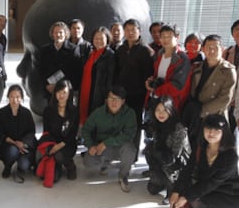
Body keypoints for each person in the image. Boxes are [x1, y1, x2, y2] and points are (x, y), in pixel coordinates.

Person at [169, 114, 239, 208]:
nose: (211, 133)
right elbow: (187, 170)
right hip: (207, 188)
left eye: (217, 130)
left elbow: (212, 183)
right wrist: (176, 191)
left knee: (195, 195)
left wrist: (186, 197)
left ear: (224, 133)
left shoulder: (230, 156)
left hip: (228, 194)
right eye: (208, 129)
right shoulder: (200, 148)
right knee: (186, 191)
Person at [82, 86, 137, 193]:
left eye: (117, 99)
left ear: (123, 101)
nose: (114, 102)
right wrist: (90, 145)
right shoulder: (98, 112)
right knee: (88, 161)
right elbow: (86, 130)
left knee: (130, 149)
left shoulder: (129, 114)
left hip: (119, 147)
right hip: (100, 148)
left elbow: (129, 135)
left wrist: (106, 143)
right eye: (111, 98)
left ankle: (123, 176)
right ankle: (105, 163)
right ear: (106, 100)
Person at [183, 35, 236, 145]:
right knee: (193, 149)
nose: (211, 50)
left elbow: (224, 99)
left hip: (214, 117)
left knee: (211, 151)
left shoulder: (228, 71)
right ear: (203, 49)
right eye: (208, 47)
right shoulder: (197, 67)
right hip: (195, 116)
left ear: (221, 49)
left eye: (215, 47)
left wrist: (201, 111)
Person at [115, 18, 154, 160]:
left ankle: (132, 156)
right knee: (120, 125)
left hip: (137, 95)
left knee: (135, 126)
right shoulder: (121, 49)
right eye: (127, 30)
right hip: (121, 95)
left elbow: (149, 76)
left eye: (133, 29)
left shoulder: (146, 51)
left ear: (139, 31)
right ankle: (120, 153)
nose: (130, 33)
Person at [144, 96, 191, 204]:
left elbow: (175, 155)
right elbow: (156, 146)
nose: (161, 113)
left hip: (178, 163)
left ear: (171, 110)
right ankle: (162, 180)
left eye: (165, 110)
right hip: (163, 158)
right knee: (152, 189)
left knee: (164, 157)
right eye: (158, 110)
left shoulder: (179, 128)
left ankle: (172, 188)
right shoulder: (157, 125)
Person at [38, 79, 78, 182]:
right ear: (55, 94)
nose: (61, 95)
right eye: (59, 92)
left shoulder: (74, 111)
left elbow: (73, 134)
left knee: (59, 155)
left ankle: (70, 165)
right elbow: (46, 132)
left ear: (69, 93)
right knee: (51, 177)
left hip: (67, 144)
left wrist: (59, 146)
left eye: (64, 92)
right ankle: (57, 166)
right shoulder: (48, 110)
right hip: (52, 142)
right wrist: (51, 146)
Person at [145, 24, 191, 113]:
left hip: (171, 104)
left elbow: (178, 85)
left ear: (177, 37)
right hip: (156, 101)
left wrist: (156, 91)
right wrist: (151, 81)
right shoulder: (159, 54)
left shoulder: (182, 58)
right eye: (163, 36)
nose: (165, 39)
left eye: (169, 36)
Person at [0, 84, 37, 179]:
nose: (14, 100)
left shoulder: (26, 113)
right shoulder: (1, 113)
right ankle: (8, 166)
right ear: (8, 97)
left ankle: (21, 163)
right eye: (12, 97)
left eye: (17, 97)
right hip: (9, 144)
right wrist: (15, 143)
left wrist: (23, 143)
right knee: (12, 152)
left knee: (24, 166)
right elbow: (1, 134)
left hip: (24, 144)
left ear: (22, 98)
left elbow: (32, 131)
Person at [79, 26, 115, 126]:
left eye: (101, 38)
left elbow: (110, 78)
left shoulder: (110, 55)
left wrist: (108, 97)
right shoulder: (91, 53)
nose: (98, 41)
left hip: (99, 94)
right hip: (87, 91)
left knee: (97, 120)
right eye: (96, 38)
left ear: (107, 39)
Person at [39, 21, 80, 100]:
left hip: (66, 89)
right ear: (52, 34)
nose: (58, 35)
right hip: (50, 89)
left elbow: (76, 72)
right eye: (56, 32)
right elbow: (41, 70)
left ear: (65, 34)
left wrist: (65, 86)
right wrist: (46, 85)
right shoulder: (45, 50)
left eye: (61, 32)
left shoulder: (73, 49)